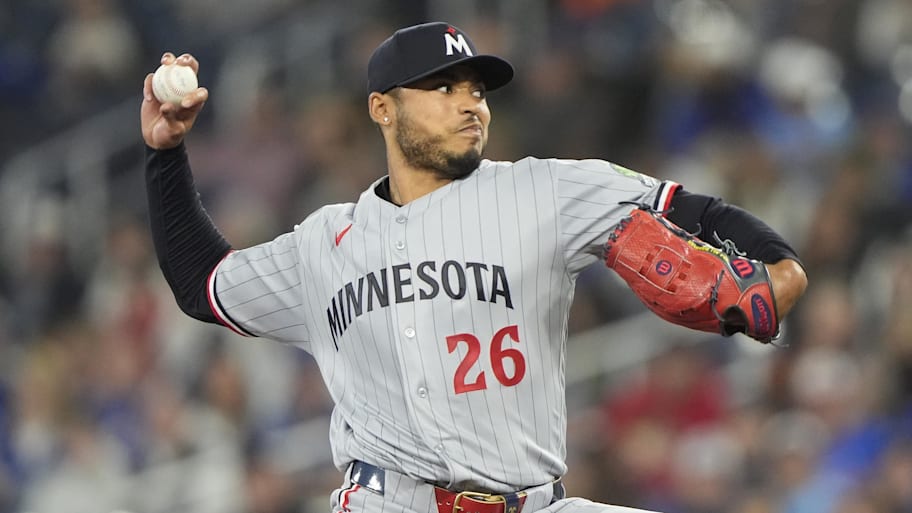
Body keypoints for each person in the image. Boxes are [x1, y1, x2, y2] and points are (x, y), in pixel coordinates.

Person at [140, 21, 808, 513]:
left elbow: (687, 207)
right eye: (443, 87)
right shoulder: (323, 242)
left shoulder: (543, 190)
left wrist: (780, 264)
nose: (470, 103)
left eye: (477, 90)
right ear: (382, 108)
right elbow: (204, 283)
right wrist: (165, 154)